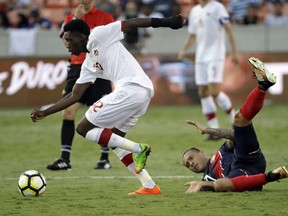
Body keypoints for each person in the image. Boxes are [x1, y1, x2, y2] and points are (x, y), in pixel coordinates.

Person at [31, 14, 186, 194]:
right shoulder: (88, 64)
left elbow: (132, 23)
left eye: (69, 39)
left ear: (81, 36)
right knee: (115, 141)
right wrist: (46, 112)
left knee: (83, 128)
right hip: (141, 94)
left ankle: (138, 149)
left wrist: (167, 22)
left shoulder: (99, 34)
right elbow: (75, 95)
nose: (66, 45)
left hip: (131, 88)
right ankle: (149, 185)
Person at [182, 57, 288, 193]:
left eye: (190, 158)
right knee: (220, 185)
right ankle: (270, 176)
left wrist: (208, 130)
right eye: (187, 165)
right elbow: (215, 186)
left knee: (238, 118)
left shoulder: (220, 152)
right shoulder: (206, 179)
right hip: (237, 176)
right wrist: (200, 184)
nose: (190, 163)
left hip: (248, 156)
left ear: (201, 152)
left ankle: (263, 85)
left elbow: (233, 136)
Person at [46, 0, 115, 171]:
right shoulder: (71, 18)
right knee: (68, 111)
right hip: (77, 69)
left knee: (102, 114)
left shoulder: (105, 17)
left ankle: (104, 158)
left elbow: (112, 43)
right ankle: (65, 159)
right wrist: (75, 20)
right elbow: (65, 42)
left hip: (99, 70)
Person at [178, 0, 239, 140]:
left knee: (214, 91)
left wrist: (234, 52)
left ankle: (234, 117)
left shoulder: (217, 8)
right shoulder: (194, 11)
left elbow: (229, 29)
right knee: (203, 92)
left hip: (215, 55)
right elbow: (193, 34)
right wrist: (184, 50)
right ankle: (214, 131)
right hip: (201, 57)